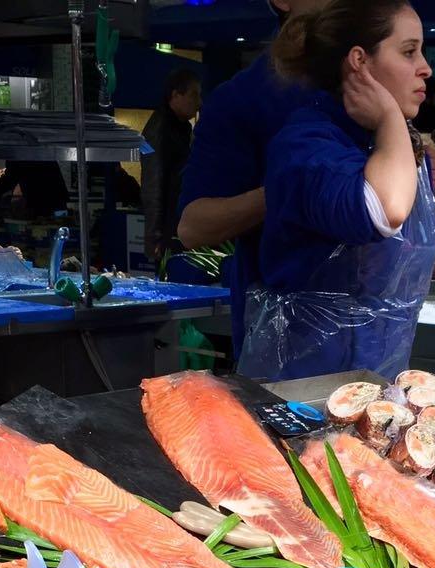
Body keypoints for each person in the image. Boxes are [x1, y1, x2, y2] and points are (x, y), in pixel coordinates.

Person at [239, 0, 435, 382]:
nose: (426, 68)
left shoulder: (390, 146)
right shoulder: (308, 145)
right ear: (359, 62)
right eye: (408, 51)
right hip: (301, 387)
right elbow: (384, 211)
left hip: (373, 381)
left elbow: (394, 259)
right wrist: (388, 117)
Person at [177, 0, 327, 358]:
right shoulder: (245, 99)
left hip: (378, 336)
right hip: (283, 343)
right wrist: (285, 190)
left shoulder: (370, 86)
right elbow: (193, 226)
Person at [140, 67, 202, 261]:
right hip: (169, 227)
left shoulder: (180, 128)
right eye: (193, 95)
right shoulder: (159, 131)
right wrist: (155, 236)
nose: (198, 103)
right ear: (175, 95)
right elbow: (153, 183)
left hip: (179, 221)